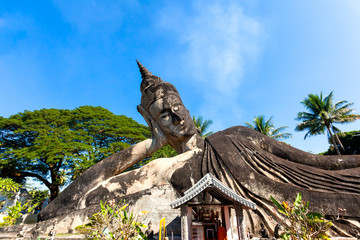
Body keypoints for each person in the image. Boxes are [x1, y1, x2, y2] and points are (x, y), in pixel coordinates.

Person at [39, 61, 360, 237]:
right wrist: (151, 143)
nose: (176, 116)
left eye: (177, 107)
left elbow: (321, 163)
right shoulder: (161, 169)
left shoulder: (238, 135)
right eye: (165, 114)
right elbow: (74, 203)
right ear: (153, 120)